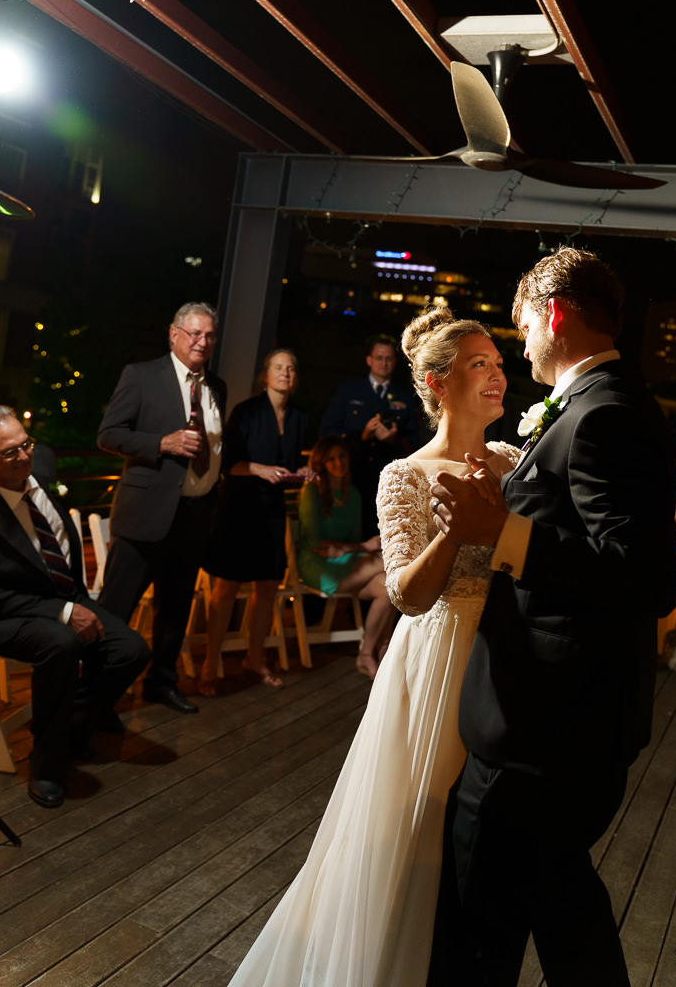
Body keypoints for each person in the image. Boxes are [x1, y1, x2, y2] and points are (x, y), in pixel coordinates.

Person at [224, 308, 520, 987]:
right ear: (437, 383)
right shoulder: (404, 474)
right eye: (481, 364)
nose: (499, 374)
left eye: (500, 363)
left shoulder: (513, 460)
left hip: (501, 654)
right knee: (415, 824)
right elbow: (408, 594)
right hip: (438, 655)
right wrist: (456, 532)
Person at [428, 248, 676, 987]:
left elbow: (643, 576)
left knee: (479, 934)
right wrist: (517, 494)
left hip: (542, 733)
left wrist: (500, 532)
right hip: (569, 729)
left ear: (557, 315)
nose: (522, 343)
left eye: (523, 325)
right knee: (563, 906)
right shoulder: (601, 401)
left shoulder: (603, 413)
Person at [0, 407, 149, 808]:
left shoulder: (41, 464)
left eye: (25, 444)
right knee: (61, 643)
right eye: (10, 453)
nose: (25, 456)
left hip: (66, 593)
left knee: (132, 650)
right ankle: (45, 766)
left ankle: (72, 727)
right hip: (8, 610)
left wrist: (70, 604)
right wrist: (62, 612)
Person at [97, 302, 226, 714]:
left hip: (193, 515)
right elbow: (108, 434)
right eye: (194, 334)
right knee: (116, 612)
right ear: (174, 334)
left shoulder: (216, 386)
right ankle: (98, 697)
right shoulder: (141, 375)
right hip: (144, 516)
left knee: (175, 608)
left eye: (208, 335)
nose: (202, 342)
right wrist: (161, 443)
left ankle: (161, 683)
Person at [198, 349, 312, 694]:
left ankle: (254, 658)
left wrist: (302, 473)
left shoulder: (299, 418)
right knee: (227, 588)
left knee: (267, 589)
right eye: (279, 367)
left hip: (273, 511)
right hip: (239, 509)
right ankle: (209, 665)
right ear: (266, 375)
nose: (285, 373)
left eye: (291, 368)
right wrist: (260, 469)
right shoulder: (246, 412)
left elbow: (288, 466)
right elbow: (228, 464)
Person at [297, 436, 396, 679]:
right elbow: (316, 544)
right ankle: (388, 646)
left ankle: (368, 653)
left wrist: (347, 549)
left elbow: (348, 542)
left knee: (389, 585)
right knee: (390, 562)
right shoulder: (312, 492)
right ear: (321, 464)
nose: (338, 462)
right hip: (316, 565)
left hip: (345, 562)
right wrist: (359, 547)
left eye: (341, 456)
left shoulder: (352, 494)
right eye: (330, 459)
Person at [319, 334, 420, 537]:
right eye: (379, 358)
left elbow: (415, 443)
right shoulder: (349, 390)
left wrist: (394, 441)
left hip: (385, 483)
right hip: (350, 477)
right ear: (369, 360)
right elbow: (327, 434)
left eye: (389, 359)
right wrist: (362, 436)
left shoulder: (405, 397)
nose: (384, 363)